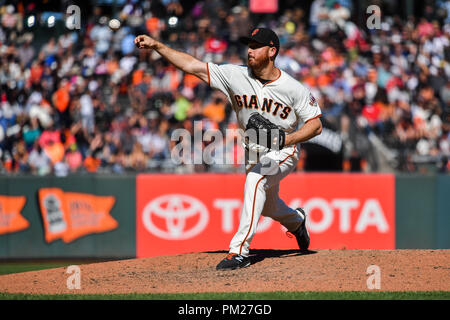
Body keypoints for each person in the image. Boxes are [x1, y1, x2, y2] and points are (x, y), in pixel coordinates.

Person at [135, 27, 323, 270]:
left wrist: (287, 141)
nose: (250, 50)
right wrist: (157, 46)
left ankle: (239, 251)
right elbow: (192, 66)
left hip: (284, 148)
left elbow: (316, 125)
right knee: (267, 204)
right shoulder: (235, 75)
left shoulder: (293, 88)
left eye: (256, 46)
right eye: (249, 45)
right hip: (253, 150)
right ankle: (296, 221)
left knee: (256, 180)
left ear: (272, 51)